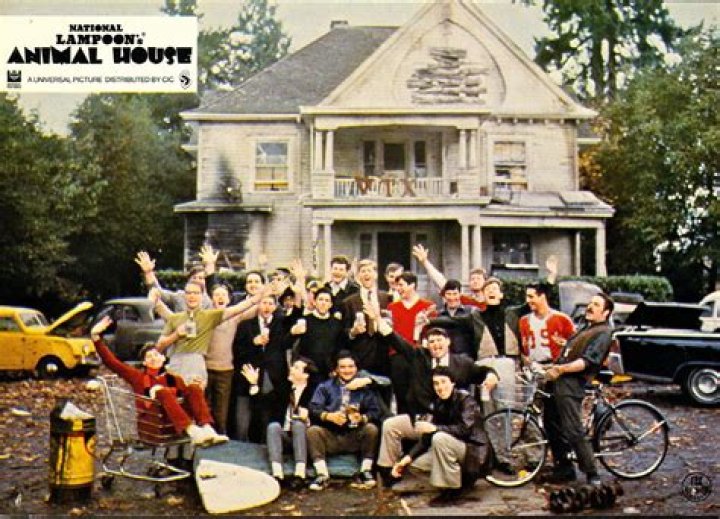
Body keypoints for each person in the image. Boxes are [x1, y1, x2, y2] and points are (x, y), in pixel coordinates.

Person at [374, 323, 498, 484]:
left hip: (451, 424)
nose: (436, 345)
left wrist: (491, 375)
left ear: (448, 342)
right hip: (424, 418)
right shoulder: (419, 357)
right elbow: (397, 342)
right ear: (427, 344)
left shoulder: (462, 363)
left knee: (439, 440)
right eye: (432, 341)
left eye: (440, 340)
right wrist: (377, 319)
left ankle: (453, 481)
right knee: (391, 425)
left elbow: (482, 372)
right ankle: (389, 473)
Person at [91, 316, 227, 447]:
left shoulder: (173, 378)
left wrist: (198, 388)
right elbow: (112, 363)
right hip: (153, 428)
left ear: (163, 359)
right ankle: (193, 431)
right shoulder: (138, 377)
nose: (153, 358)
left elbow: (189, 398)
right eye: (148, 356)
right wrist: (96, 338)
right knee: (162, 392)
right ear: (144, 363)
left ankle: (207, 428)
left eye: (156, 355)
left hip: (172, 427)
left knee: (193, 387)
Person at [542, 293, 615, 486]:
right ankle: (564, 468)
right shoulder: (587, 327)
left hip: (572, 383)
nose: (590, 306)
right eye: (590, 303)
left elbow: (586, 362)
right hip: (559, 381)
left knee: (572, 428)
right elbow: (570, 353)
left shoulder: (603, 332)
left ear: (606, 312)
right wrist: (552, 366)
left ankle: (592, 473)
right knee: (551, 424)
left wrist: (560, 369)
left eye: (596, 304)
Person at [390, 367, 490, 506]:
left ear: (453, 383)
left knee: (439, 438)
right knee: (415, 465)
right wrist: (406, 459)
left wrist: (435, 428)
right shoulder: (439, 403)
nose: (440, 387)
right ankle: (459, 481)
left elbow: (465, 430)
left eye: (443, 382)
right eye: (436, 383)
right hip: (453, 449)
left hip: (473, 452)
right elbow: (427, 437)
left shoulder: (466, 400)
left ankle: (452, 491)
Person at [154, 280, 264, 388]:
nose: (192, 296)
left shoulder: (210, 316)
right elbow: (159, 346)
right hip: (176, 366)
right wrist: (176, 335)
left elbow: (238, 309)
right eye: (189, 293)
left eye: (196, 293)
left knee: (197, 398)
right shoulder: (174, 318)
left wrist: (264, 294)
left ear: (202, 296)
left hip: (198, 367)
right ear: (184, 296)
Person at [306, 351, 382, 491]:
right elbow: (313, 408)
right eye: (343, 367)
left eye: (351, 366)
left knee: (371, 429)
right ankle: (322, 474)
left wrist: (362, 418)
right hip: (331, 435)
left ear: (356, 368)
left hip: (354, 435)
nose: (347, 370)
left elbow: (376, 411)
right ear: (336, 369)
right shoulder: (325, 387)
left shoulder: (364, 388)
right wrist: (328, 416)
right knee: (313, 431)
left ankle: (365, 470)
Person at [233, 294, 292, 442]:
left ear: (275, 306)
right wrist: (253, 342)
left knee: (269, 419)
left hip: (274, 378)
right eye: (264, 303)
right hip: (249, 376)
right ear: (258, 305)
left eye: (270, 303)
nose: (267, 307)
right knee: (245, 421)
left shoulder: (281, 324)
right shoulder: (245, 325)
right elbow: (237, 351)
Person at [204, 283, 256, 434]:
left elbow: (255, 309)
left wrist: (266, 293)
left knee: (221, 411)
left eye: (223, 295)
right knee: (204, 408)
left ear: (229, 299)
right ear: (211, 299)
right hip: (204, 369)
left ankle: (221, 436)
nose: (220, 298)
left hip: (225, 370)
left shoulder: (234, 317)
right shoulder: (205, 316)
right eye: (217, 295)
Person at [264, 357, 318, 489]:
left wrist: (307, 418)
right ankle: (277, 473)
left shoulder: (315, 392)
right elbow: (264, 403)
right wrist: (254, 385)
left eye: (296, 368)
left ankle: (300, 474)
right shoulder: (284, 388)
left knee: (298, 424)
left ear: (305, 375)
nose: (291, 370)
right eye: (293, 366)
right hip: (286, 435)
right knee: (273, 426)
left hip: (304, 438)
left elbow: (320, 416)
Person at [387, 271, 435, 414]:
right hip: (398, 357)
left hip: (419, 356)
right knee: (401, 396)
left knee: (420, 395)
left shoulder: (428, 307)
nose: (398, 288)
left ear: (412, 285)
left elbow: (433, 333)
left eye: (401, 285)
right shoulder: (392, 307)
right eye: (397, 286)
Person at [341, 259, 392, 378]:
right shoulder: (349, 302)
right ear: (358, 276)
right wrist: (353, 332)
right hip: (359, 356)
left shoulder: (387, 298)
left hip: (384, 355)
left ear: (375, 274)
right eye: (363, 271)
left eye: (369, 271)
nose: (366, 274)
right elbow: (343, 333)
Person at [286, 288, 345, 387]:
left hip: (329, 373)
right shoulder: (304, 321)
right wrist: (293, 333)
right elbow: (286, 343)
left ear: (331, 304)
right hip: (307, 372)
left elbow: (340, 347)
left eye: (327, 300)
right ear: (314, 302)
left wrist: (336, 367)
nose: (323, 303)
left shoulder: (337, 323)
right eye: (320, 299)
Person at [135, 248, 214, 312]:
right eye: (194, 278)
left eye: (201, 278)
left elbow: (212, 282)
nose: (197, 281)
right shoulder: (179, 297)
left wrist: (210, 264)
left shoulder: (212, 298)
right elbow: (157, 292)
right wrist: (148, 272)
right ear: (188, 281)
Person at [412, 244, 486, 309]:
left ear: (485, 281)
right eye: (472, 279)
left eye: (478, 279)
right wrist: (425, 262)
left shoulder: (490, 301)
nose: (475, 281)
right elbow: (442, 283)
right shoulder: (465, 300)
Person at [519, 283, 575, 366]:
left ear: (542, 296)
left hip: (554, 366)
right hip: (532, 367)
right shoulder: (523, 321)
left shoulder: (562, 319)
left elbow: (575, 344)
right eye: (527, 297)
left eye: (531, 297)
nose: (527, 301)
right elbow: (521, 348)